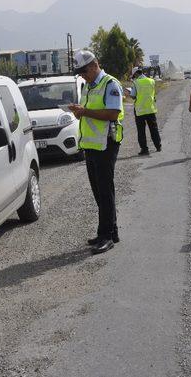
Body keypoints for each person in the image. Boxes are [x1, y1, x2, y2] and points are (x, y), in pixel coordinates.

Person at [68, 50, 124, 254]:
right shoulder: (88, 86)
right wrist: (78, 111)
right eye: (80, 72)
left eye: (84, 71)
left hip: (106, 144)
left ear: (94, 65)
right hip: (91, 145)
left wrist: (85, 112)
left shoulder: (110, 84)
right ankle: (111, 231)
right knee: (98, 191)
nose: (83, 75)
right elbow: (88, 111)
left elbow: (112, 113)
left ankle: (106, 235)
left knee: (105, 191)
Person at [128, 67, 161, 155]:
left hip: (140, 111)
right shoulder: (151, 81)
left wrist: (129, 93)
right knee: (154, 129)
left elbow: (133, 96)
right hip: (150, 109)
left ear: (135, 74)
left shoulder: (136, 82)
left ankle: (144, 149)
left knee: (141, 131)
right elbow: (153, 94)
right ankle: (158, 146)